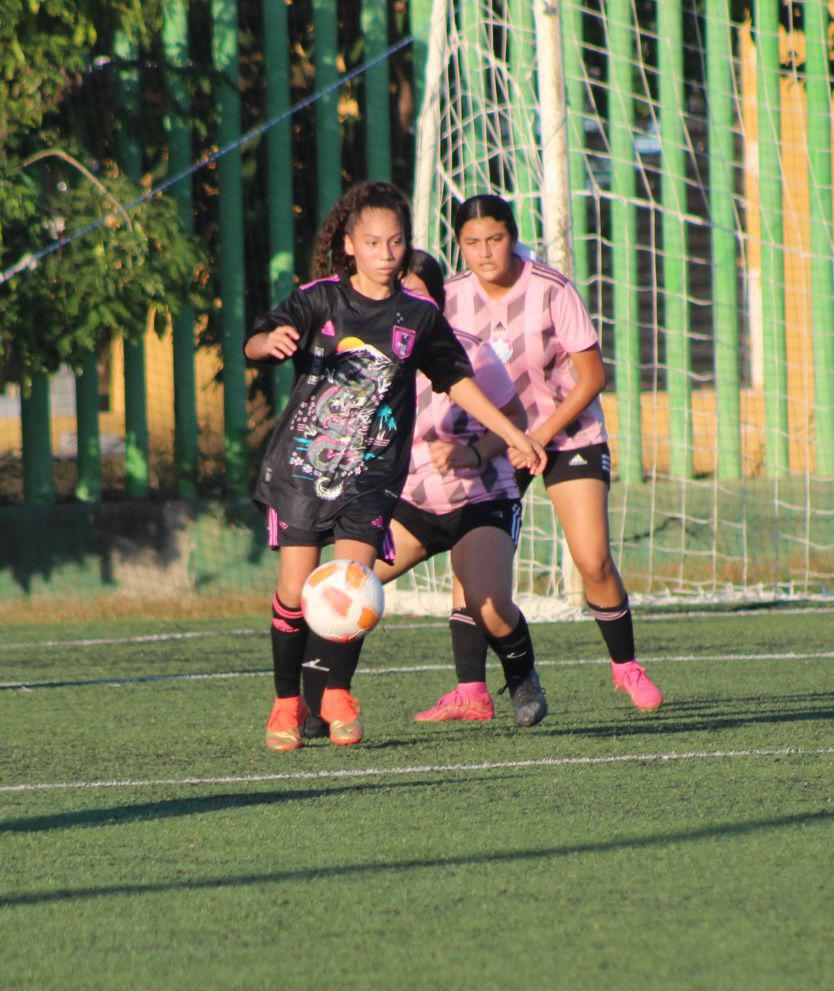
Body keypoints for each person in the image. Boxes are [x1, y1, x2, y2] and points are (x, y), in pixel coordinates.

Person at [244, 182, 546, 751]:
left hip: (372, 476)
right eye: (373, 243)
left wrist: (513, 435)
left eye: (396, 242)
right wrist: (268, 343)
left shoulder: (418, 315)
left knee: (352, 584)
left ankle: (337, 695)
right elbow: (254, 341)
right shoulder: (319, 300)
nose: (385, 253)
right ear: (350, 245)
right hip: (304, 469)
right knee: (294, 592)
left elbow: (458, 381)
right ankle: (286, 703)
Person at [301, 250, 548, 731]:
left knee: (490, 606)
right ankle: (321, 705)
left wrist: (471, 454)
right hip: (410, 506)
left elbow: (516, 419)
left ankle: (523, 679)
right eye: (397, 292)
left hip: (480, 501)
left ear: (437, 302)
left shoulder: (472, 354)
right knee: (342, 588)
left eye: (415, 294)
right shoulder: (367, 360)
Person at [437, 193, 664, 712]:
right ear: (460, 246)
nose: (484, 252)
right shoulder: (449, 298)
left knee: (592, 559)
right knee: (469, 565)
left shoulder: (551, 288)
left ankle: (626, 668)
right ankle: (471, 690)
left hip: (568, 435)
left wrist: (538, 436)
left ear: (513, 237)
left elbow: (593, 376)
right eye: (472, 242)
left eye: (495, 239)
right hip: (496, 441)